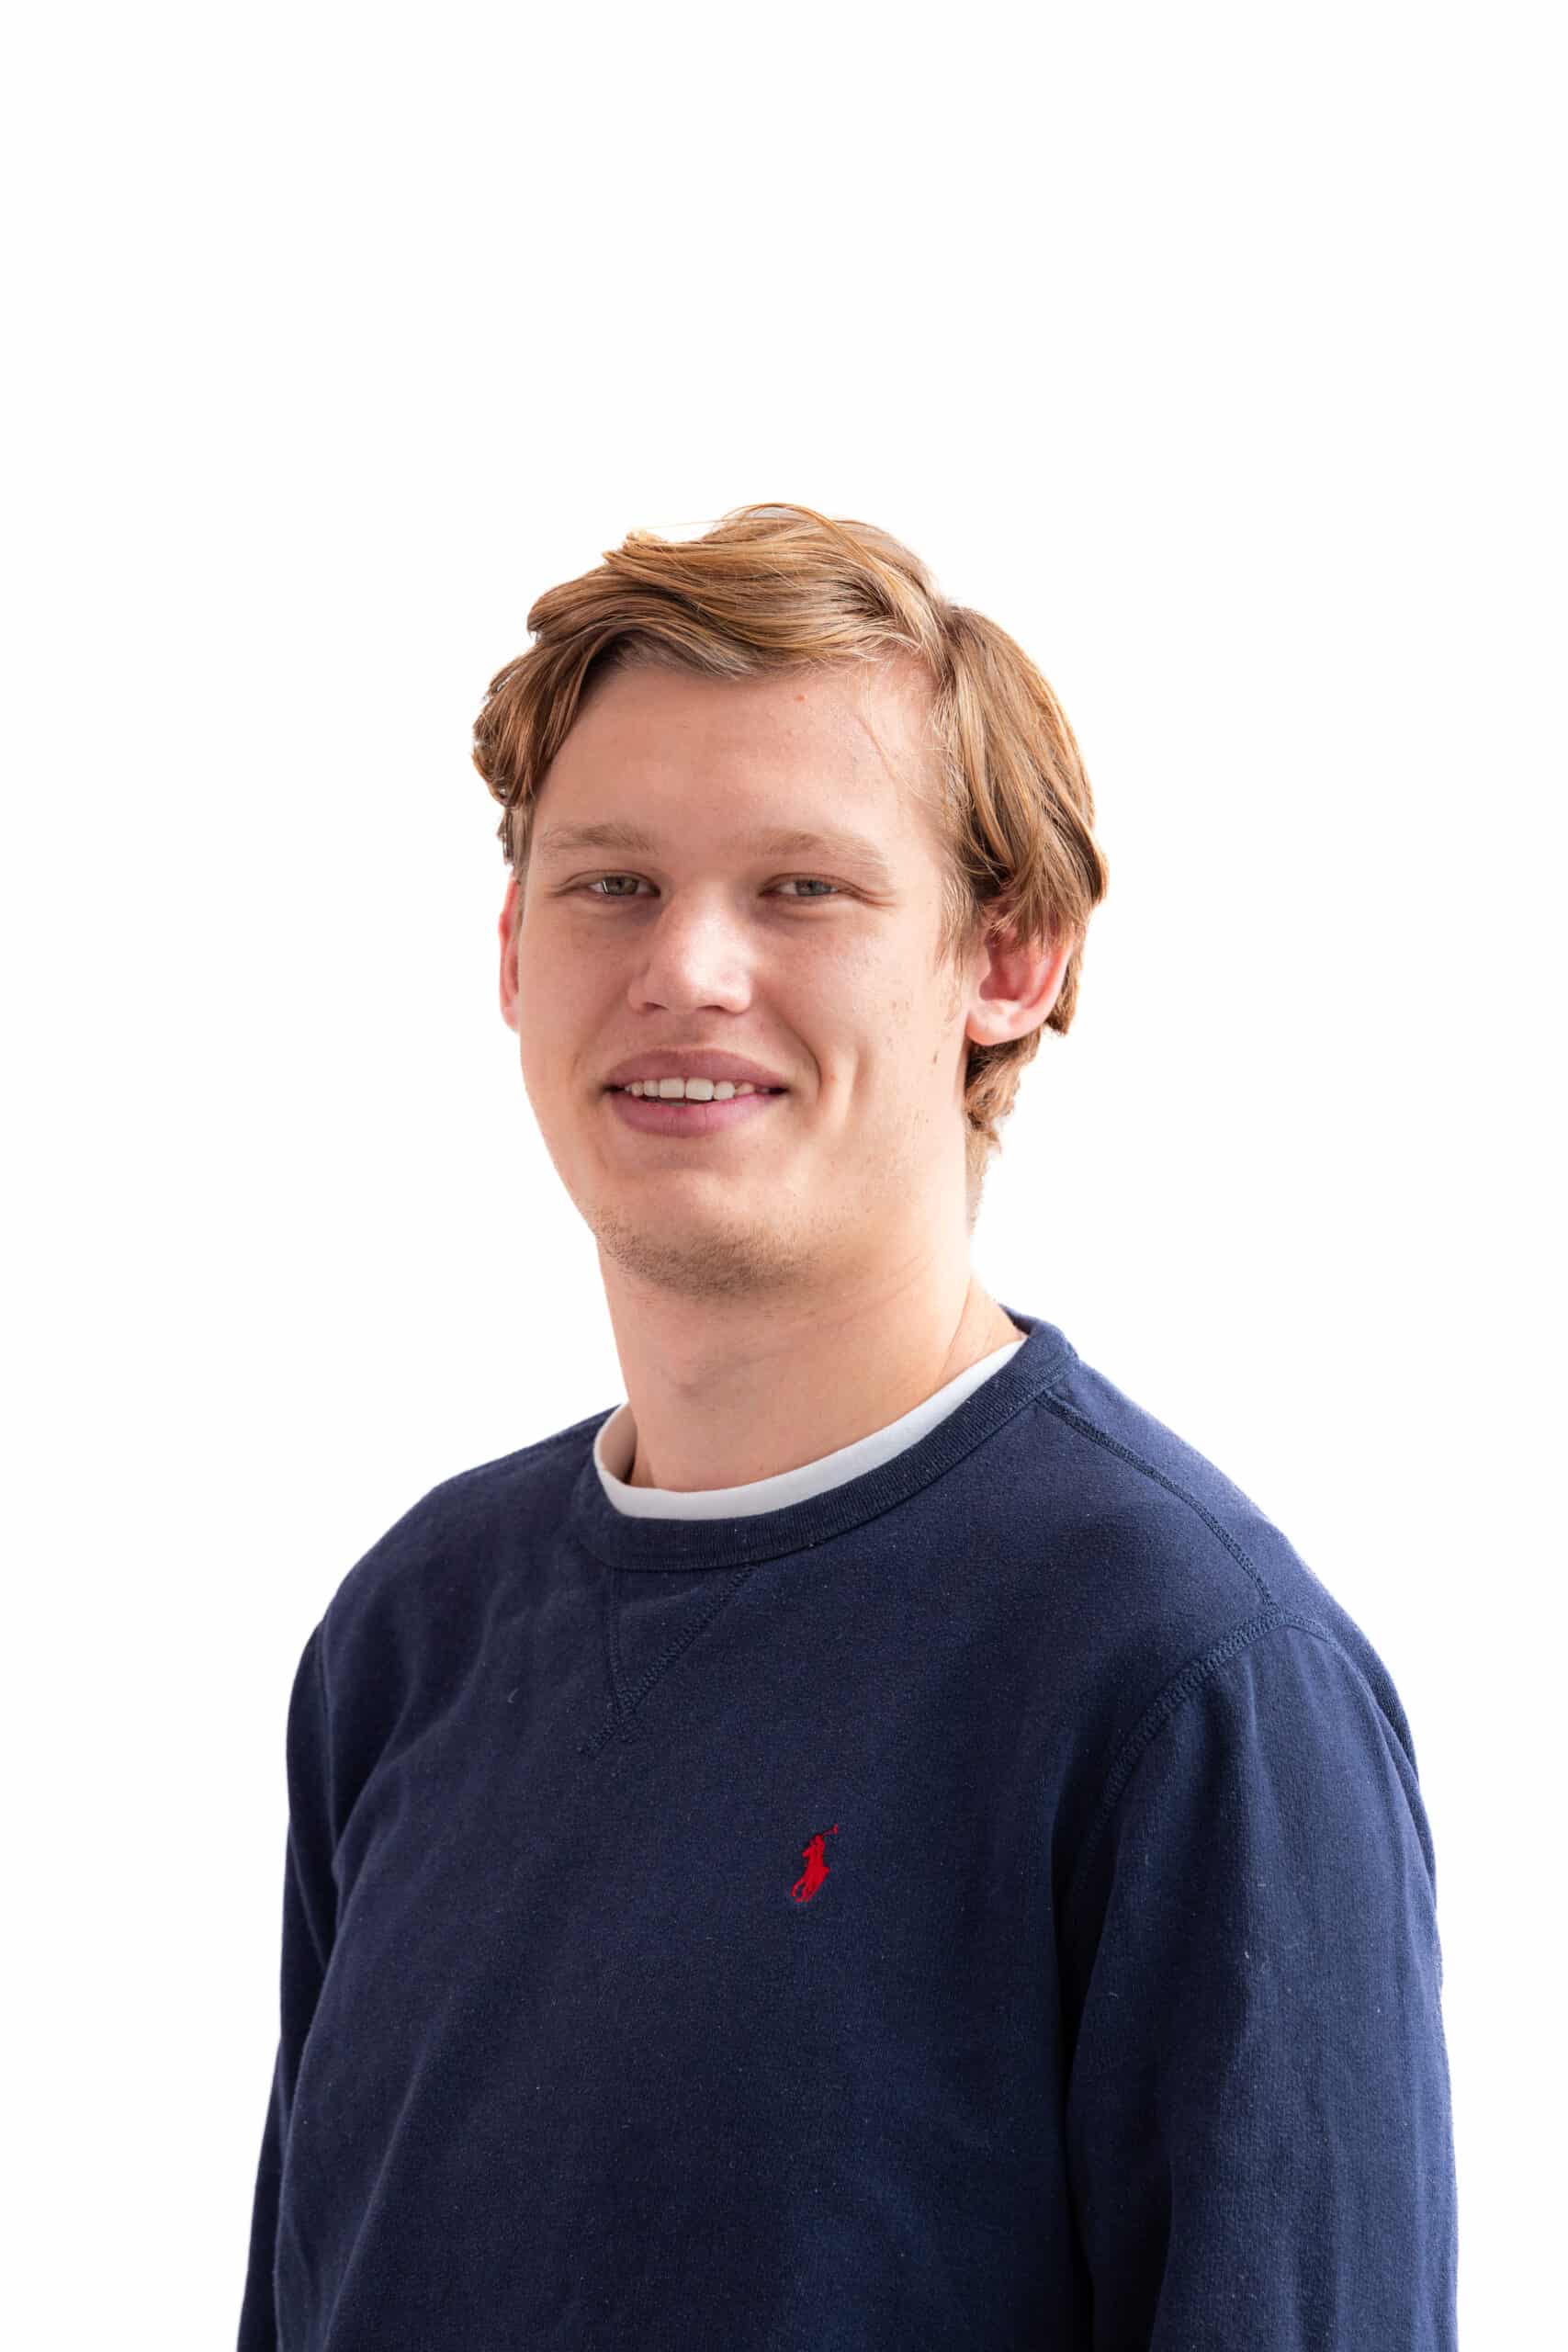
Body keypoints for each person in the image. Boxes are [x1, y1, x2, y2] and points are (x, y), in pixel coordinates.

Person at [237, 502, 1459, 2348]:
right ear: (511, 953)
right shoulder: (411, 1632)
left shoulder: (1190, 1677)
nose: (688, 967)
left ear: (1009, 958)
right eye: (610, 884)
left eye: (801, 888)